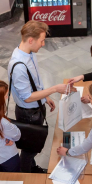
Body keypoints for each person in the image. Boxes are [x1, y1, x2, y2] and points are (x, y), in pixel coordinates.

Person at [8, 20, 72, 173]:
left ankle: (32, 167)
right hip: (28, 112)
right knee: (30, 149)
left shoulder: (29, 53)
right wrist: (54, 89)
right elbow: (27, 97)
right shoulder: (18, 65)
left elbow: (34, 80)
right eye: (42, 40)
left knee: (33, 145)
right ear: (31, 40)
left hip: (36, 107)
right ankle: (26, 174)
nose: (43, 44)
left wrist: (44, 97)